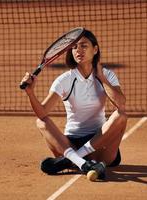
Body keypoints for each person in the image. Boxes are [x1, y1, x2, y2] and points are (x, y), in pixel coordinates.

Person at [20, 29, 127, 179]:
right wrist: (30, 93)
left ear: (95, 49)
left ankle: (73, 160)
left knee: (121, 116)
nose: (78, 50)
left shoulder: (107, 75)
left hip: (99, 144)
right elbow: (42, 112)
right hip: (70, 143)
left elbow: (121, 104)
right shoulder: (65, 80)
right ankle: (83, 163)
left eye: (84, 46)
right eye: (74, 47)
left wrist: (102, 78)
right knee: (41, 122)